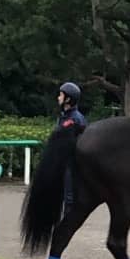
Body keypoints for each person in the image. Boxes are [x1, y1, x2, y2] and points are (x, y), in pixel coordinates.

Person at [56, 82, 87, 214]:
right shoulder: (63, 117)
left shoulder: (76, 119)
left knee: (70, 197)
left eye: (61, 95)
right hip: (62, 162)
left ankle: (68, 221)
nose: (58, 97)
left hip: (72, 163)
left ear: (68, 99)